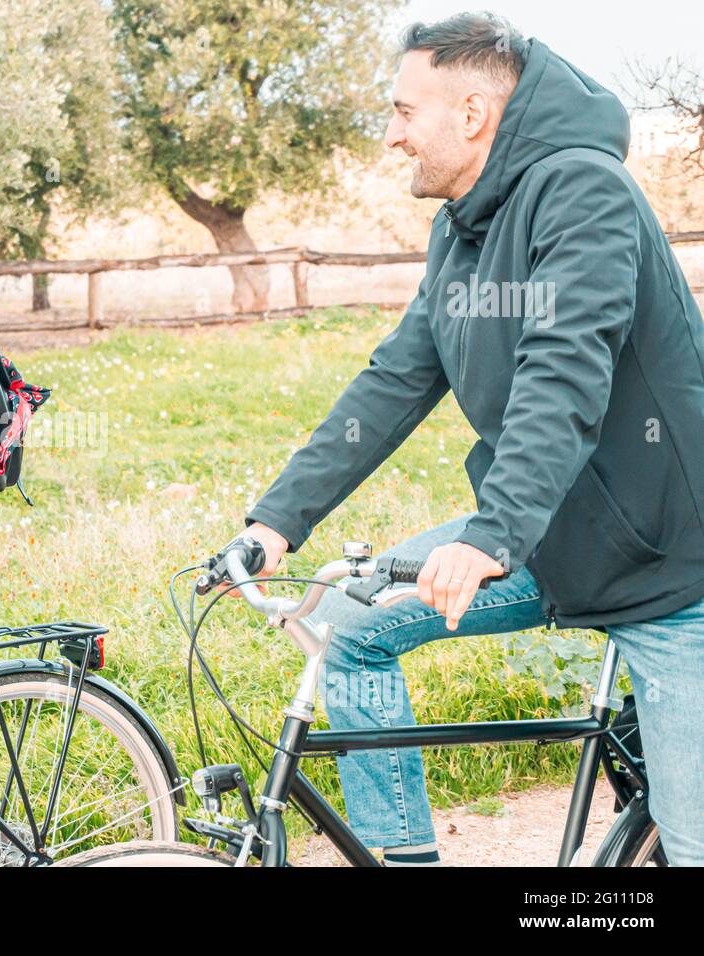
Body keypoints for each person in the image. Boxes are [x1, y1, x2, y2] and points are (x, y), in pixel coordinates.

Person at [237, 13, 704, 865]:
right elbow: (393, 383)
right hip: (550, 532)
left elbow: (565, 371)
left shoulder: (583, 192)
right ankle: (403, 857)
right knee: (351, 629)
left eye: (404, 111)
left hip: (670, 561)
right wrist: (276, 519)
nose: (390, 136)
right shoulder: (460, 230)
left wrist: (490, 534)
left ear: (473, 113)